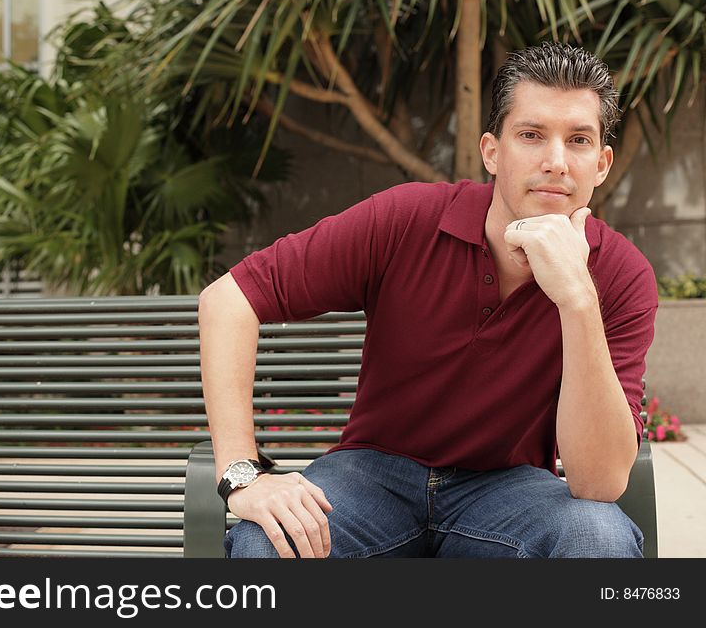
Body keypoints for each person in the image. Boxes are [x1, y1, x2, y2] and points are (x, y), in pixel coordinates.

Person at [197, 42, 657, 558]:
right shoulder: (407, 219)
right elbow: (229, 298)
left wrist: (576, 298)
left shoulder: (621, 274)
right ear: (492, 151)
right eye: (531, 135)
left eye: (578, 140)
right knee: (269, 544)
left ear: (601, 163)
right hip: (371, 477)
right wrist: (244, 474)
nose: (555, 161)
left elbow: (599, 484)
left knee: (599, 539)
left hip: (508, 491)